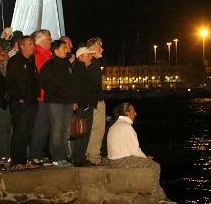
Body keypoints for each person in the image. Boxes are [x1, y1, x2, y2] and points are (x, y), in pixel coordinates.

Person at [106, 103, 174, 204]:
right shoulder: (127, 127)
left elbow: (127, 149)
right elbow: (135, 150)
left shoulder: (115, 125)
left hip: (113, 161)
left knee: (149, 164)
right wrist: (146, 159)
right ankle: (154, 198)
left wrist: (144, 159)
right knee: (155, 166)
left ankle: (162, 197)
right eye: (133, 111)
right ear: (127, 113)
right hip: (121, 161)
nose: (136, 114)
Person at [39, 39, 76, 167]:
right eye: (63, 48)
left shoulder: (67, 64)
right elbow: (45, 83)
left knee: (65, 131)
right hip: (55, 102)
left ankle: (63, 157)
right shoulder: (49, 65)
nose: (66, 50)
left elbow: (71, 83)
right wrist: (59, 93)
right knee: (56, 129)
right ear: (55, 50)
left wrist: (73, 99)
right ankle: (56, 158)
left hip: (67, 102)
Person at [6, 36, 41, 170]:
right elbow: (11, 82)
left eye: (33, 44)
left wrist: (35, 96)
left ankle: (24, 159)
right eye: (30, 44)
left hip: (31, 101)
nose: (33, 46)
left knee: (27, 131)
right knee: (20, 131)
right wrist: (19, 97)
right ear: (22, 46)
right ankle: (16, 161)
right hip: (21, 103)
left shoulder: (30, 61)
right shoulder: (15, 61)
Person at [29, 29, 52, 164]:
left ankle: (39, 153)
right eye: (49, 39)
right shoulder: (38, 54)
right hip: (42, 96)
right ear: (42, 40)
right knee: (40, 127)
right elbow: (43, 77)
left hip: (47, 96)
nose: (51, 41)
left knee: (44, 127)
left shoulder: (47, 54)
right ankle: (34, 155)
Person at [71, 47, 96, 166]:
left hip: (84, 104)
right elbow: (83, 87)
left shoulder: (79, 68)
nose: (90, 56)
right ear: (81, 57)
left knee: (82, 132)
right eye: (88, 55)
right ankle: (79, 159)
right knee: (82, 132)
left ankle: (80, 158)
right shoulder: (80, 68)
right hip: (84, 105)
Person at [85, 37, 106, 165]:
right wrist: (98, 100)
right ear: (92, 49)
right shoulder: (94, 65)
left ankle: (89, 154)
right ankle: (94, 156)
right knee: (98, 129)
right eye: (100, 46)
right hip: (96, 102)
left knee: (92, 128)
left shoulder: (90, 64)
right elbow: (93, 86)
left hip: (93, 101)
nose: (102, 49)